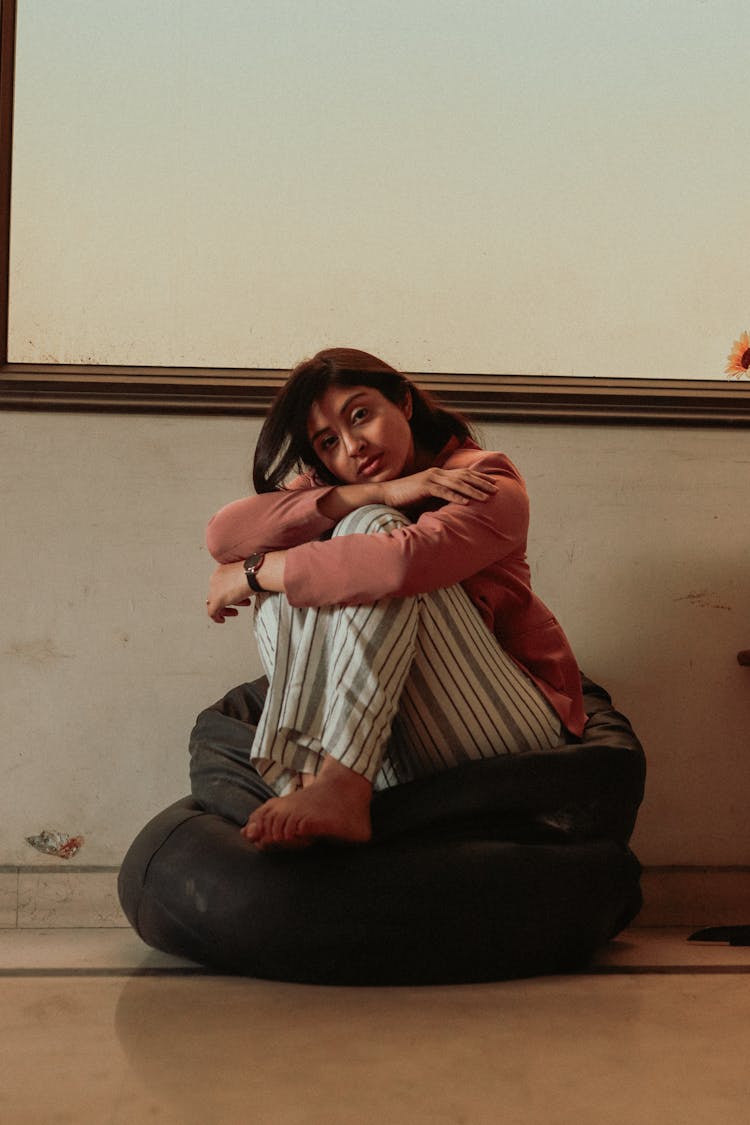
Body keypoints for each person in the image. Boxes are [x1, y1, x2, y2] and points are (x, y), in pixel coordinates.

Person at [202, 347, 586, 851]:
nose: (353, 446)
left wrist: (252, 573)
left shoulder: (486, 479)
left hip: (508, 731)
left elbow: (398, 565)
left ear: (403, 402)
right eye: (328, 441)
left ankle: (339, 784)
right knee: (302, 570)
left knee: (367, 538)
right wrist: (377, 493)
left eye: (361, 415)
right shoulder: (345, 484)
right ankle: (311, 785)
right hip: (398, 742)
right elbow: (223, 535)